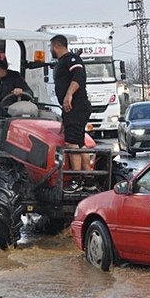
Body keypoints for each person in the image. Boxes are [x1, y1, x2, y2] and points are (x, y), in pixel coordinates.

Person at [50, 34, 92, 192]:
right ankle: (88, 179)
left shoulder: (71, 59)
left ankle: (76, 180)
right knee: (80, 143)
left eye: (51, 47)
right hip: (71, 109)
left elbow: (79, 76)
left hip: (76, 107)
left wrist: (69, 95)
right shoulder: (61, 62)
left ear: (56, 46)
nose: (51, 50)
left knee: (72, 143)